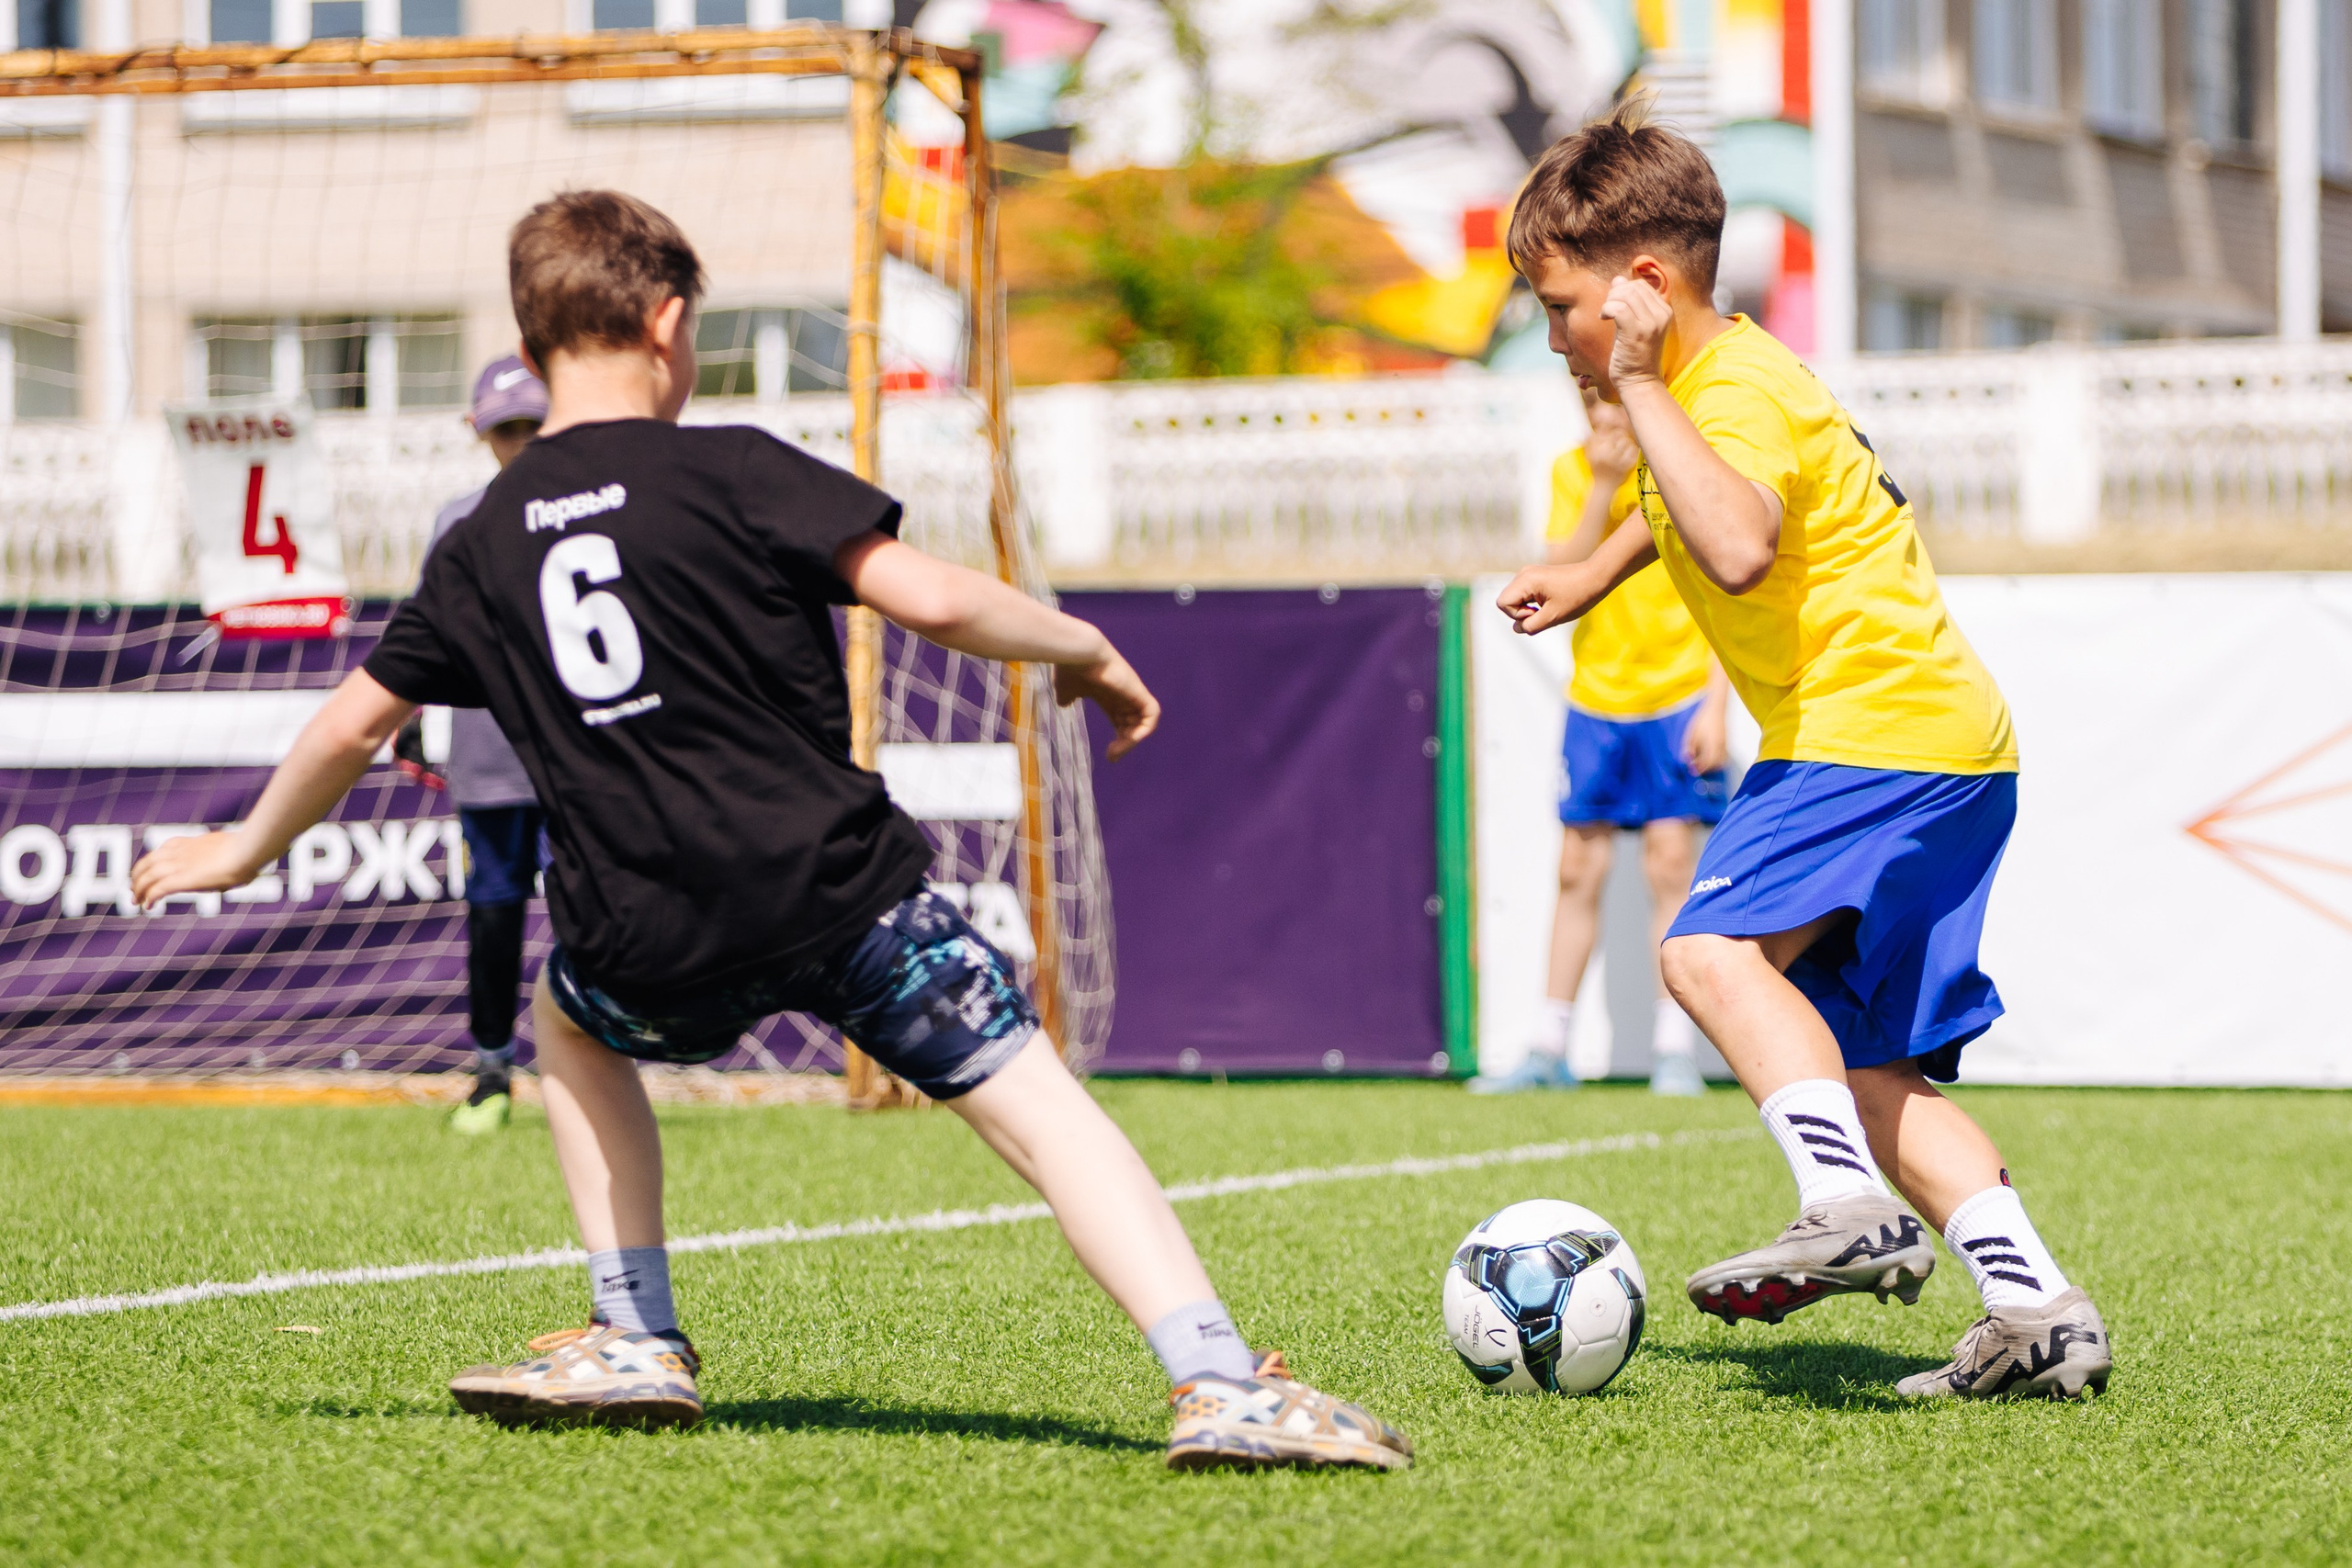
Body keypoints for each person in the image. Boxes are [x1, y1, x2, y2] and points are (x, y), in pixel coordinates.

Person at [133, 190, 1411, 1470]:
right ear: (667, 323)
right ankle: (1216, 1378)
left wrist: (241, 850)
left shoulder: (478, 545)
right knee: (1034, 1099)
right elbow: (934, 600)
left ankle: (635, 1331)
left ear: (530, 348)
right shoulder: (737, 469)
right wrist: (1081, 644)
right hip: (839, 897)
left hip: (644, 936)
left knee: (569, 1024)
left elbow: (352, 724)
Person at [1494, 105, 2111, 1401]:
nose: (1552, 338)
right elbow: (1684, 506)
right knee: (1866, 1064)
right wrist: (1592, 572)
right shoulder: (1728, 379)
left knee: (1705, 952)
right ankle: (2037, 1310)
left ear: (1642, 287)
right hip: (1947, 747)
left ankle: (1843, 1206)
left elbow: (1735, 541)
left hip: (1868, 731)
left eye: (1559, 309)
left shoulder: (1718, 390)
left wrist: (1640, 383)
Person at [1470, 389, 1728, 1097]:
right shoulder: (1570, 469)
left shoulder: (1681, 467)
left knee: (1670, 865)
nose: (1604, 415)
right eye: (1589, 400)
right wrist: (1603, 485)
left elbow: (1722, 588)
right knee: (1576, 867)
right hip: (1596, 698)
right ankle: (1548, 1046)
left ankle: (1674, 1049)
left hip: (1677, 695)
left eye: (1613, 400)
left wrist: (1715, 705)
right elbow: (1562, 566)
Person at [395, 355, 553, 1135]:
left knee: (591, 920)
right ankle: (492, 1072)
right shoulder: (456, 519)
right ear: (478, 431)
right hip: (488, 757)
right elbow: (428, 633)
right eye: (505, 429)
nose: (519, 441)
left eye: (532, 425)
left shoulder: (588, 508)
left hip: (575, 761)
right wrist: (409, 713)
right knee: (493, 919)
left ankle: (595, 1068)